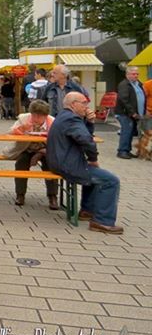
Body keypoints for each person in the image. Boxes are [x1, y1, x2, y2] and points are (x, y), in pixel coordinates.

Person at [47, 92, 123, 234]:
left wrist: (90, 122)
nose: (86, 106)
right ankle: (103, 221)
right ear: (73, 104)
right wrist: (93, 159)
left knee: (96, 176)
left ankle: (87, 210)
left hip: (60, 162)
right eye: (83, 103)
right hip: (68, 165)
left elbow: (85, 135)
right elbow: (87, 141)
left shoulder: (64, 116)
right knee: (111, 181)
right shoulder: (72, 119)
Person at [5, 100, 59, 209]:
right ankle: (20, 195)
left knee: (51, 165)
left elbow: (58, 141)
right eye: (34, 115)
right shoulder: (24, 118)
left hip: (46, 150)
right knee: (21, 163)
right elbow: (10, 132)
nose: (36, 119)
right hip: (27, 149)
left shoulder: (52, 122)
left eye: (40, 116)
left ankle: (52, 196)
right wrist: (21, 128)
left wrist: (41, 151)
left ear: (46, 116)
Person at [114, 66, 145, 159]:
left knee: (131, 132)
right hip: (124, 113)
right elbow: (124, 100)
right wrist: (132, 112)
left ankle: (127, 150)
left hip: (136, 113)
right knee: (127, 131)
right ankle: (122, 151)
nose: (136, 75)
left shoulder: (138, 84)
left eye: (137, 74)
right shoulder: (124, 85)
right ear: (127, 74)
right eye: (133, 74)